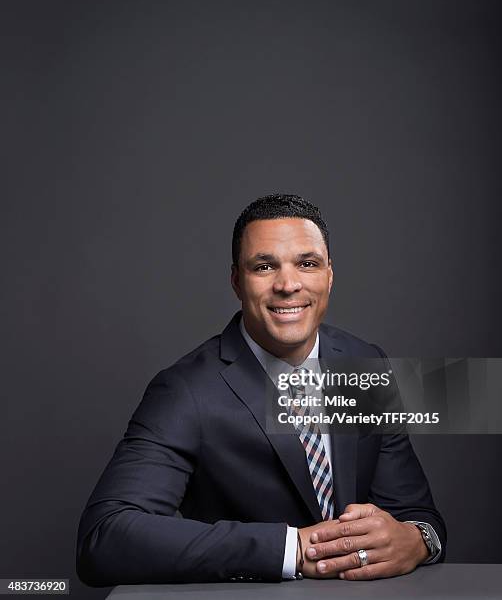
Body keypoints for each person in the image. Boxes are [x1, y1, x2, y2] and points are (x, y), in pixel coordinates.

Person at [77, 194, 446, 586]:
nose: (288, 285)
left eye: (307, 264)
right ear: (237, 281)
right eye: (264, 266)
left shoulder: (366, 362)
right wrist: (293, 549)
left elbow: (416, 513)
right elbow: (104, 537)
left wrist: (417, 540)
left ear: (329, 275)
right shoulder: (185, 390)